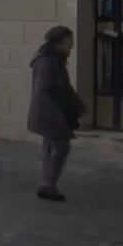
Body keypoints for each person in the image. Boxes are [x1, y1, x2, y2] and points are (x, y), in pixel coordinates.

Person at [27, 25, 86, 202]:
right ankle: (48, 185)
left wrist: (76, 105)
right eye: (70, 43)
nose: (71, 47)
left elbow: (63, 89)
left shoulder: (50, 57)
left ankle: (47, 184)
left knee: (51, 145)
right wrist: (64, 112)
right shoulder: (49, 60)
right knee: (60, 146)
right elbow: (50, 90)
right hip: (50, 112)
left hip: (48, 111)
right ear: (59, 42)